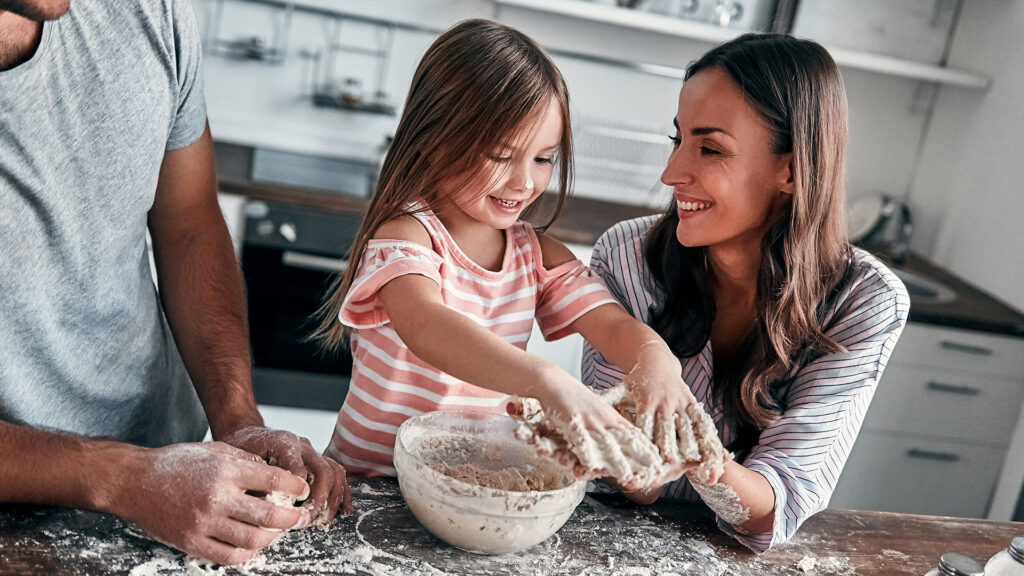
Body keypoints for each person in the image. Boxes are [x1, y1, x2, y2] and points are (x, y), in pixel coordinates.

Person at [0, 0, 349, 565]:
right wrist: (128, 478)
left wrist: (237, 422)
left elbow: (188, 222)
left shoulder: (149, 10)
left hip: (179, 487)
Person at [313, 19, 703, 485]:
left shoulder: (537, 256)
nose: (524, 182)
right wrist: (547, 380)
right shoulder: (407, 236)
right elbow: (426, 326)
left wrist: (658, 364)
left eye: (543, 159)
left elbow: (615, 327)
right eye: (500, 155)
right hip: (367, 485)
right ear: (434, 141)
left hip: (463, 487)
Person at [582, 33, 910, 552]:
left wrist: (700, 460)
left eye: (710, 148)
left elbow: (778, 507)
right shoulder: (625, 258)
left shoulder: (864, 301)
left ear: (793, 168)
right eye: (678, 140)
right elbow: (624, 478)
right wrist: (628, 460)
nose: (671, 174)